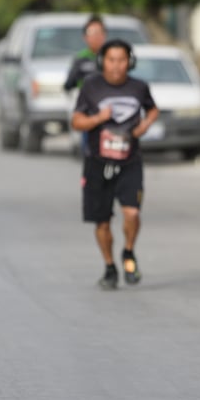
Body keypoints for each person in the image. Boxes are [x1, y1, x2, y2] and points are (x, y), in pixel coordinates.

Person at [70, 39, 159, 290]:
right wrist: (99, 117)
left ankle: (128, 251)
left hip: (130, 161)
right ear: (102, 61)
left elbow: (153, 110)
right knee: (102, 221)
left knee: (132, 212)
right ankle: (109, 267)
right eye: (111, 60)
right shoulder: (91, 86)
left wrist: (143, 126)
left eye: (122, 60)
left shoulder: (139, 87)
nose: (117, 66)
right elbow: (76, 121)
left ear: (129, 62)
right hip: (97, 163)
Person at [65, 15, 107, 156]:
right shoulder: (81, 59)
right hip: (88, 107)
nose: (96, 37)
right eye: (92, 34)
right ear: (85, 38)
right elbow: (69, 83)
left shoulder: (111, 57)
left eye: (99, 33)